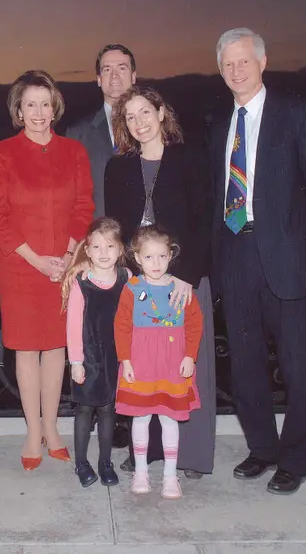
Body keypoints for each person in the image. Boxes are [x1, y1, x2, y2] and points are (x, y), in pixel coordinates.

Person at [211, 28, 306, 495]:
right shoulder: (218, 123)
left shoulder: (298, 114)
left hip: (290, 259)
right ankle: (262, 449)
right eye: (228, 64)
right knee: (245, 365)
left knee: (296, 364)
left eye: (244, 61)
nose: (236, 70)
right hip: (236, 255)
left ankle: (296, 458)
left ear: (263, 62)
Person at [0, 70, 94, 470]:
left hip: (65, 265)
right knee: (27, 348)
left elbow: (84, 207)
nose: (38, 112)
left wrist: (67, 256)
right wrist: (35, 259)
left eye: (45, 103)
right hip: (21, 267)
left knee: (57, 347)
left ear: (55, 107)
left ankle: (53, 427)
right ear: (18, 109)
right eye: (30, 104)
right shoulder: (2, 154)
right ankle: (33, 431)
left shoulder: (74, 152)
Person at [104, 86, 216, 479]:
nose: (139, 122)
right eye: (129, 116)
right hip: (139, 283)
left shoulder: (190, 159)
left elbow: (205, 221)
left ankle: (193, 456)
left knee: (187, 366)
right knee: (146, 366)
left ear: (161, 113)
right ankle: (147, 453)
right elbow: (116, 229)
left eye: (144, 112)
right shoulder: (117, 167)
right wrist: (127, 276)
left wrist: (186, 275)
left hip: (182, 280)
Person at [114, 225, 204, 499]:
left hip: (172, 362)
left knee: (169, 418)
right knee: (140, 418)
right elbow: (122, 326)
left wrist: (190, 356)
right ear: (137, 258)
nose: (156, 263)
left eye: (162, 256)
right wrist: (125, 360)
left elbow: (194, 323)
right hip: (141, 363)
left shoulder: (180, 288)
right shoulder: (131, 288)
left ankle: (169, 476)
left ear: (171, 256)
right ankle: (141, 471)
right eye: (149, 257)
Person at [63, 217, 129, 488]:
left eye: (110, 246)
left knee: (108, 411)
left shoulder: (128, 280)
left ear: (121, 250)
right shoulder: (82, 283)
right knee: (84, 410)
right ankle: (81, 463)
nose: (104, 253)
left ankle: (105, 463)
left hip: (116, 358)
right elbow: (73, 324)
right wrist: (76, 361)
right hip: (88, 358)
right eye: (97, 247)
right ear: (87, 251)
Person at [66, 44, 137, 217]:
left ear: (134, 76)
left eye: (122, 68)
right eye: (107, 69)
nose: (114, 76)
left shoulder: (155, 128)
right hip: (100, 237)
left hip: (145, 239)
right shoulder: (78, 134)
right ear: (98, 79)